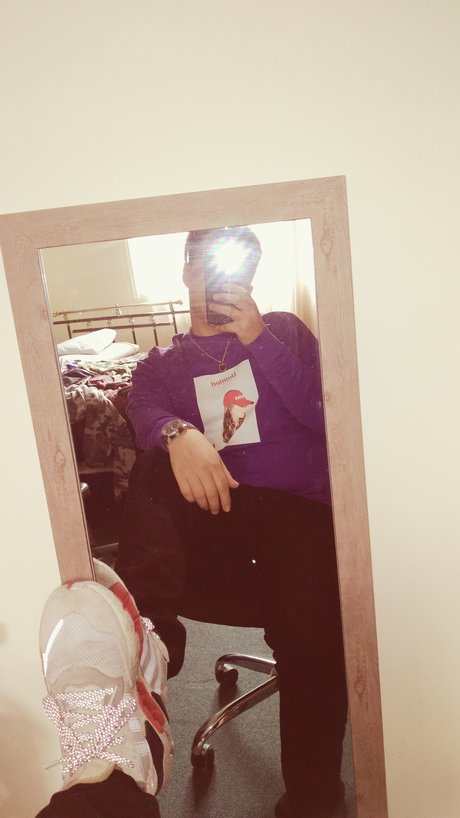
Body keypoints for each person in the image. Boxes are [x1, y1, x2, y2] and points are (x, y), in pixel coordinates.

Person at [37, 226, 347, 818]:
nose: (225, 277)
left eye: (240, 266)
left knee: (314, 643)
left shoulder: (283, 331)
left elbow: (327, 411)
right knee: (155, 467)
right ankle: (147, 643)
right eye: (211, 263)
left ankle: (313, 800)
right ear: (185, 269)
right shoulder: (162, 364)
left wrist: (259, 340)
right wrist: (177, 433)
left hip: (299, 527)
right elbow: (144, 411)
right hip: (216, 529)